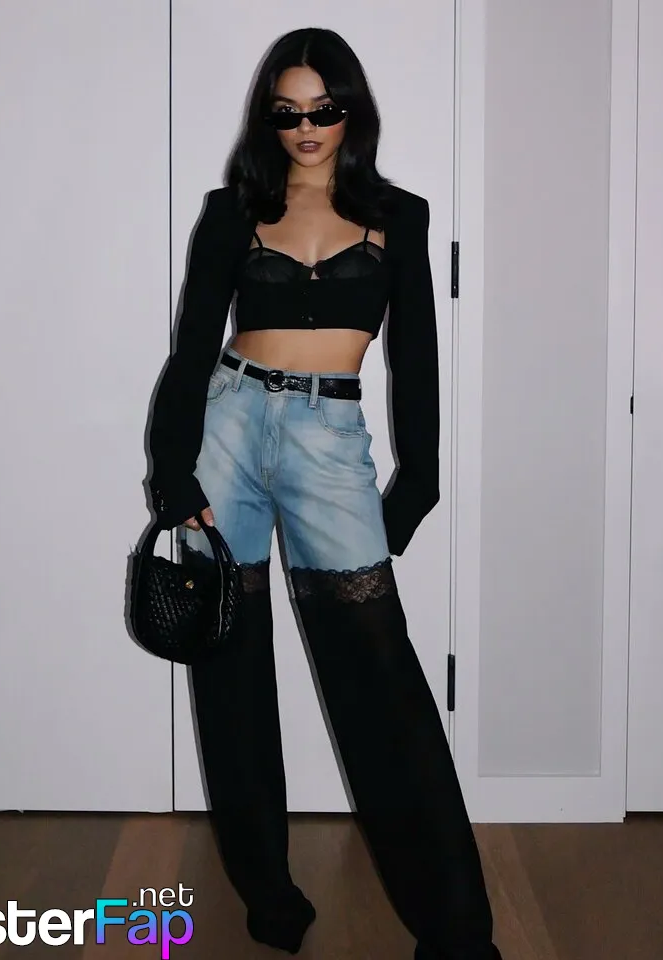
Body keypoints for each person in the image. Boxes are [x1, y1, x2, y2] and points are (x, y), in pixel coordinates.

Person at [147, 26, 503, 960]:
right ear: (269, 118)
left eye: (324, 108)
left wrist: (416, 485)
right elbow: (193, 346)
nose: (307, 127)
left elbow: (414, 359)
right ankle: (270, 900)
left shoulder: (398, 215)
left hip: (327, 440)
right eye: (287, 111)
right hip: (227, 430)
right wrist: (172, 472)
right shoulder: (235, 210)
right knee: (228, 666)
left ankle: (457, 932)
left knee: (380, 677)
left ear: (352, 111)